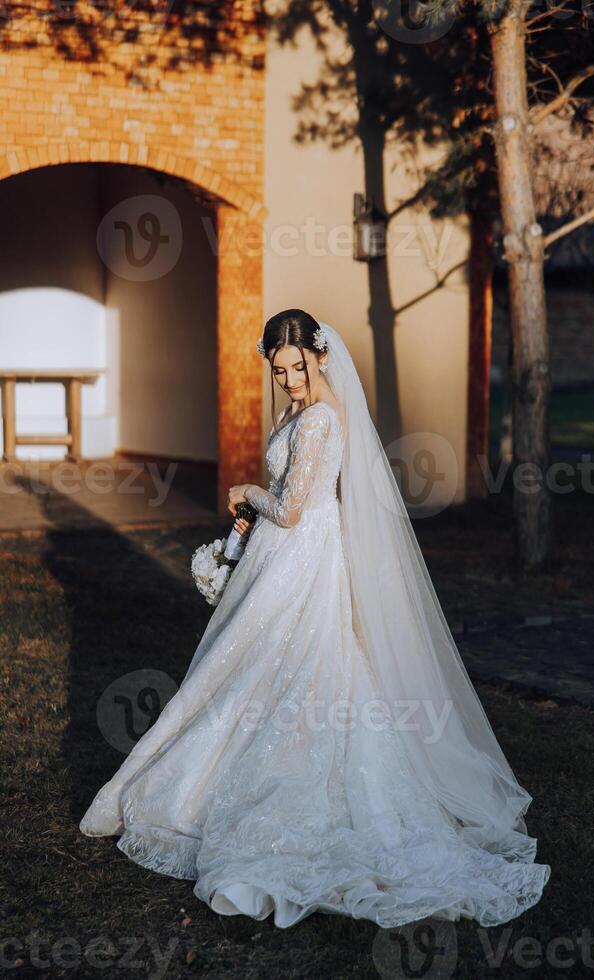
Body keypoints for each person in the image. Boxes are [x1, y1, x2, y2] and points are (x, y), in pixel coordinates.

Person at [79, 309, 550, 929]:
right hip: (279, 556)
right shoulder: (296, 412)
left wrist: (248, 494)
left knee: (286, 665)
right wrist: (243, 532)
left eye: (296, 368)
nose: (289, 380)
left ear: (318, 357)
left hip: (304, 556)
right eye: (279, 371)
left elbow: (295, 509)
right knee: (248, 666)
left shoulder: (322, 418)